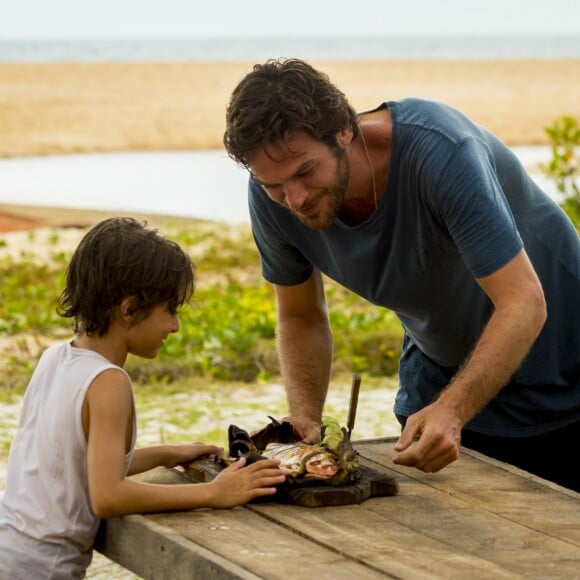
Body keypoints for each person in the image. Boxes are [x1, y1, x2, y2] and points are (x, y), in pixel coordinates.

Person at [223, 57, 580, 492]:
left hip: (565, 368)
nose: (293, 199)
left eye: (306, 172)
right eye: (273, 184)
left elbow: (524, 301)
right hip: (444, 369)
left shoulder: (442, 151)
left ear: (344, 130)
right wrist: (305, 419)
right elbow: (300, 317)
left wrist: (451, 410)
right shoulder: (273, 198)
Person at [0, 217, 286, 579]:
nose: (174, 326)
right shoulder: (108, 381)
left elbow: (73, 463)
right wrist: (214, 493)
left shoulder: (56, 358)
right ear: (129, 309)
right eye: (170, 310)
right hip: (41, 568)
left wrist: (167, 453)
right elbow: (108, 496)